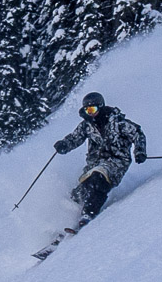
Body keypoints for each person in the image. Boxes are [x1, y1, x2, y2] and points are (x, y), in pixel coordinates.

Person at [54, 91, 147, 227]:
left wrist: (139, 151)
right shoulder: (87, 125)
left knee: (99, 179)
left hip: (117, 162)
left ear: (101, 107)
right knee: (82, 189)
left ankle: (88, 213)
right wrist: (64, 145)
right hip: (94, 164)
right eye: (87, 110)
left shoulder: (118, 123)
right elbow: (74, 138)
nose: (90, 113)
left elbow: (137, 133)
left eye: (93, 109)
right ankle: (64, 220)